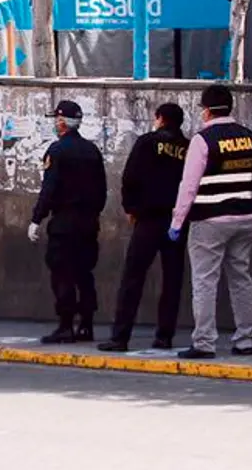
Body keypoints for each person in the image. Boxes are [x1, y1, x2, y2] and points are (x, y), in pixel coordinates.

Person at [169, 85, 252, 360]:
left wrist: (177, 221)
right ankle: (246, 340)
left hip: (209, 221)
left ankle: (204, 342)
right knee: (241, 279)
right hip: (245, 219)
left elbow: (189, 185)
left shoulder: (203, 140)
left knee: (205, 281)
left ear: (207, 111)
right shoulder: (250, 138)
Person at [99, 103, 188, 352]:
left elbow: (130, 177)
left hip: (147, 219)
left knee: (133, 278)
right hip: (176, 222)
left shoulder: (147, 142)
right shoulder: (188, 147)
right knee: (172, 280)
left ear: (159, 118)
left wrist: (131, 208)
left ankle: (120, 337)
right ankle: (164, 336)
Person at [28, 100, 107, 344]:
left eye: (56, 119)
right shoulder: (92, 151)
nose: (54, 123)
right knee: (84, 273)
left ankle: (65, 326)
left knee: (62, 273)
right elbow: (102, 191)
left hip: (64, 224)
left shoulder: (57, 150)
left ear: (62, 122)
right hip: (88, 223)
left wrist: (36, 219)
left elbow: (49, 189)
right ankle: (86, 325)